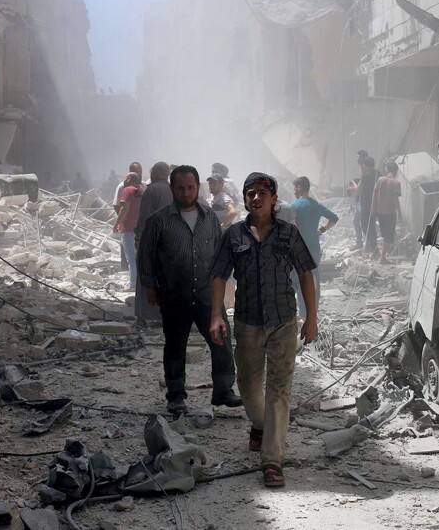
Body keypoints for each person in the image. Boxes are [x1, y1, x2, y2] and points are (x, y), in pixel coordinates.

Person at [209, 172, 318, 489]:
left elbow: (306, 273)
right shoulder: (233, 236)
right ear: (244, 199)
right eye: (250, 193)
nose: (255, 198)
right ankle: (259, 424)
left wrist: (311, 318)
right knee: (248, 388)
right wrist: (217, 314)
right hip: (247, 322)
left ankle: (272, 460)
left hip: (284, 321)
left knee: (279, 390)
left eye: (261, 193)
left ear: (273, 199)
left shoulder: (289, 234)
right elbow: (218, 275)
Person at [138, 165, 241, 415]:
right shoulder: (159, 221)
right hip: (174, 294)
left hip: (207, 294)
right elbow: (146, 256)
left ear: (198, 188)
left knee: (222, 341)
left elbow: (219, 256)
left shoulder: (210, 219)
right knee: (175, 345)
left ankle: (223, 390)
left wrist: (225, 286)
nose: (186, 192)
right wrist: (150, 286)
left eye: (191, 187)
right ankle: (175, 396)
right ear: (172, 188)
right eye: (181, 188)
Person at [291, 176, 338, 318]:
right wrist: (322, 230)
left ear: (299, 187)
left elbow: (292, 227)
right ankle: (313, 311)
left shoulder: (296, 205)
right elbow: (334, 218)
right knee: (314, 278)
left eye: (295, 187)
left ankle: (304, 314)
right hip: (314, 249)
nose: (294, 190)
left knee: (300, 279)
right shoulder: (316, 204)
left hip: (299, 249)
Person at [134, 162, 173, 324]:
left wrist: (138, 237)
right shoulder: (174, 190)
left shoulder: (152, 190)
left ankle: (145, 315)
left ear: (156, 173)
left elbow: (145, 217)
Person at [114, 172, 143, 290]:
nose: (124, 180)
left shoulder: (127, 190)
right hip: (139, 228)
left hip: (127, 228)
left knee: (131, 258)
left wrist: (116, 224)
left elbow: (124, 208)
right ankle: (140, 284)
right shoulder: (141, 191)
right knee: (139, 258)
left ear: (129, 178)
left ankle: (132, 284)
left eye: (125, 177)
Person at [373, 161, 403, 264]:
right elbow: (395, 199)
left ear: (387, 170)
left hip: (380, 212)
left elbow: (375, 196)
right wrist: (399, 213)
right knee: (389, 237)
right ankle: (383, 258)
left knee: (384, 235)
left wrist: (374, 210)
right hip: (390, 213)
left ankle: (383, 256)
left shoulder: (380, 180)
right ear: (396, 171)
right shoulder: (396, 183)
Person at [358, 156, 379, 256]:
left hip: (366, 204)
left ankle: (374, 248)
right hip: (375, 204)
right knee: (372, 226)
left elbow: (359, 190)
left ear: (365, 165)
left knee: (365, 226)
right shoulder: (378, 175)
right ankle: (373, 248)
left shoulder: (365, 176)